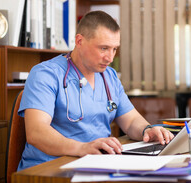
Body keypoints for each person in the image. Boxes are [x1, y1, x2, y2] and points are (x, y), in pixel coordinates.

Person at [17, 11, 174, 173]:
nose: (110, 58)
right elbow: (36, 132)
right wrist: (82, 148)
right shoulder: (46, 74)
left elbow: (131, 120)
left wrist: (147, 130)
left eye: (114, 49)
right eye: (104, 48)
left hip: (97, 164)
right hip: (49, 169)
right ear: (80, 41)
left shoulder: (109, 76)